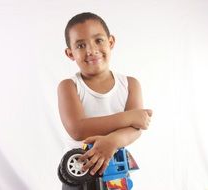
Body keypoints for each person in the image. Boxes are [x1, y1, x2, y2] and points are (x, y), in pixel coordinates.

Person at [58, 12, 152, 189]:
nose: (91, 50)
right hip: (81, 172)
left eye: (98, 40)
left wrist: (113, 141)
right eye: (80, 45)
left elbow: (136, 128)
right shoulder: (69, 86)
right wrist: (129, 117)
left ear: (110, 42)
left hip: (115, 174)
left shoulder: (130, 84)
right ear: (70, 53)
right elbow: (77, 129)